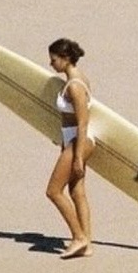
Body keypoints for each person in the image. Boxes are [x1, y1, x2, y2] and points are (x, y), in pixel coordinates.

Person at [46, 38, 95, 258]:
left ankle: (79, 237)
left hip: (79, 141)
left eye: (54, 59)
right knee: (77, 192)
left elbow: (83, 121)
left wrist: (76, 156)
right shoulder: (77, 78)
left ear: (65, 59)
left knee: (54, 191)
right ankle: (87, 245)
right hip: (72, 140)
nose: (51, 64)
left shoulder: (75, 86)